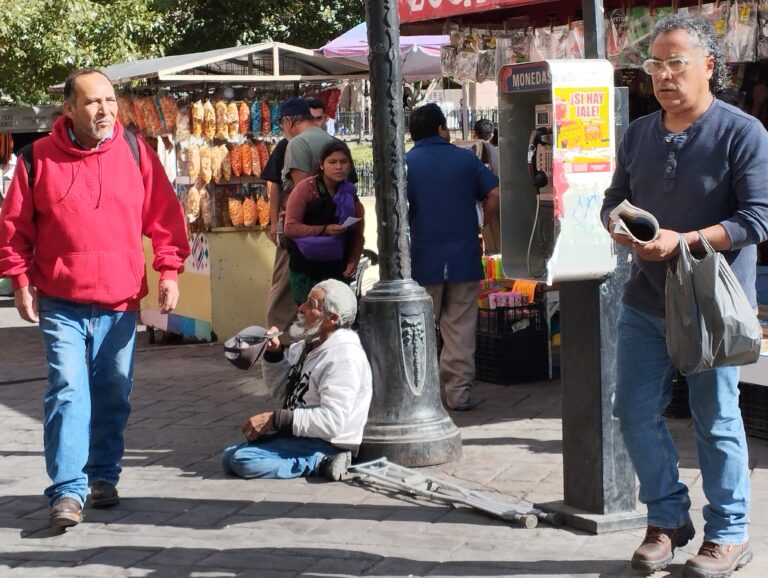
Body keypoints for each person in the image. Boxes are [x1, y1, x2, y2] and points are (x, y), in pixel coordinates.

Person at [601, 14, 768, 578]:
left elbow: (757, 220)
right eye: (655, 65)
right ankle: (668, 518)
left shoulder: (743, 131)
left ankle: (729, 534)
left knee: (716, 418)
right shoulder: (638, 132)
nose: (665, 75)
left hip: (712, 306)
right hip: (644, 298)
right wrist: (617, 224)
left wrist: (685, 241)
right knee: (631, 412)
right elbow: (615, 196)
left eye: (677, 63)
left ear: (708, 67)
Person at [0, 68, 190, 527]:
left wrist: (168, 269)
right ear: (68, 109)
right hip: (62, 302)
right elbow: (13, 231)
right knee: (67, 391)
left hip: (120, 301)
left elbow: (165, 217)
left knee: (112, 393)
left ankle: (102, 475)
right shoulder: (35, 159)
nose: (104, 109)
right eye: (92, 102)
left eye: (109, 100)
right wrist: (21, 281)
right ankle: (67, 491)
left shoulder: (135, 151)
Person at [222, 279, 373, 480]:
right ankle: (309, 458)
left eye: (311, 305)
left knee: (244, 461)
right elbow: (283, 393)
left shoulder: (343, 357)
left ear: (332, 317)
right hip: (301, 435)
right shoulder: (308, 346)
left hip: (326, 442)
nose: (301, 308)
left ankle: (323, 462)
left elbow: (333, 422)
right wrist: (274, 355)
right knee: (229, 457)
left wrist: (275, 420)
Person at [406, 103, 499, 412]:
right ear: (441, 128)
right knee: (459, 328)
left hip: (422, 257)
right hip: (463, 255)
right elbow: (495, 192)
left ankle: (419, 394)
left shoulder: (406, 163)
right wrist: (484, 223)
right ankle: (458, 395)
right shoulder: (465, 159)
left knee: (418, 329)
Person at [283, 140, 365, 304]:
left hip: (337, 267)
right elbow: (290, 228)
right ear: (322, 165)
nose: (339, 167)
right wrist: (324, 229)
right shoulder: (306, 188)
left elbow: (357, 232)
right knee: (312, 317)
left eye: (343, 162)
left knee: (337, 314)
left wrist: (353, 259)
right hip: (307, 268)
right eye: (332, 162)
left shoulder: (349, 192)